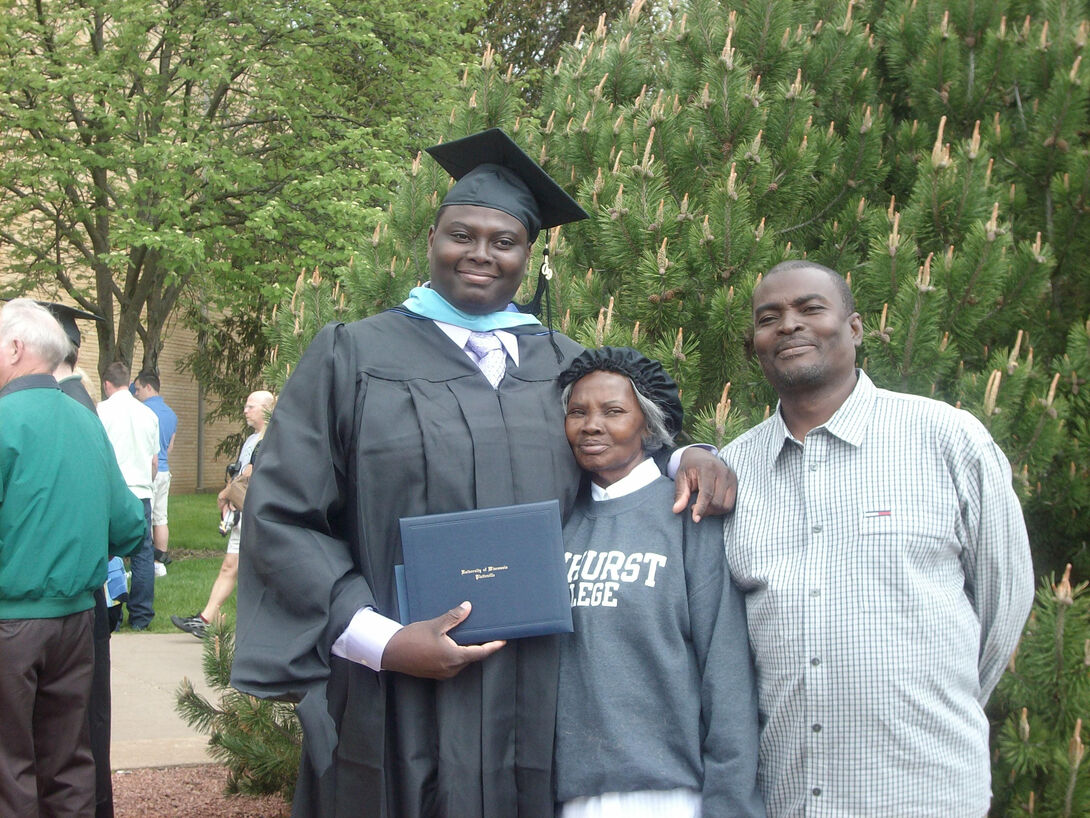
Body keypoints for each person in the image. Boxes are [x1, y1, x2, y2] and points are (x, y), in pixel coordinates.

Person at [231, 127, 736, 818]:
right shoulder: (353, 355)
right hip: (395, 687)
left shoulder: (562, 361)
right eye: (461, 235)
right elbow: (284, 514)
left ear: (530, 255)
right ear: (431, 238)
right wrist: (382, 639)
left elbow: (616, 446)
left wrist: (686, 454)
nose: (481, 254)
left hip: (539, 686)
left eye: (504, 241)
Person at [721, 260, 1035, 816]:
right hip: (787, 797)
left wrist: (934, 706)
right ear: (756, 343)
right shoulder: (734, 471)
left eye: (810, 309)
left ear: (856, 327)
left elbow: (1004, 604)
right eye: (769, 318)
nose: (788, 325)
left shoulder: (948, 440)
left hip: (925, 791)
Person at [554, 347, 763, 818]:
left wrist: (731, 803)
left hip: (672, 794)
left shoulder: (688, 515)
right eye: (577, 412)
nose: (591, 425)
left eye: (613, 411)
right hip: (572, 794)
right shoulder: (560, 523)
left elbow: (725, 673)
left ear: (648, 426)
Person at [0, 299, 146, 817]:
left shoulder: (3, 419)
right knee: (68, 766)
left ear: (16, 348)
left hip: (12, 625)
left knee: (9, 770)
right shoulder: (88, 422)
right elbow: (130, 525)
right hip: (77, 626)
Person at [41, 301, 121, 818]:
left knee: (76, 732)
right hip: (82, 588)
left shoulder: (70, 408)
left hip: (71, 596)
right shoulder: (79, 402)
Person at [172, 390, 275, 638]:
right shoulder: (252, 440)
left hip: (259, 514)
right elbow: (241, 474)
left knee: (259, 572)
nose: (245, 411)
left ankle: (262, 627)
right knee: (230, 566)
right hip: (243, 512)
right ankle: (206, 619)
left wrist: (227, 492)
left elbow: (251, 471)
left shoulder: (270, 439)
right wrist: (231, 495)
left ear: (266, 409)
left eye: (251, 406)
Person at [98, 361, 160, 630]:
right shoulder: (148, 415)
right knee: (143, 552)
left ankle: (112, 611)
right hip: (141, 490)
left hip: (112, 490)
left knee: (107, 550)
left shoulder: (101, 411)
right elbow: (154, 461)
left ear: (106, 384)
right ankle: (142, 615)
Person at [135, 371, 179, 569]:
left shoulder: (142, 411)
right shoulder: (171, 413)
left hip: (148, 470)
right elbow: (170, 447)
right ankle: (159, 563)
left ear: (148, 387)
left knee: (147, 517)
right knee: (161, 517)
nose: (136, 394)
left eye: (138, 389)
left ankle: (145, 563)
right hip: (164, 469)